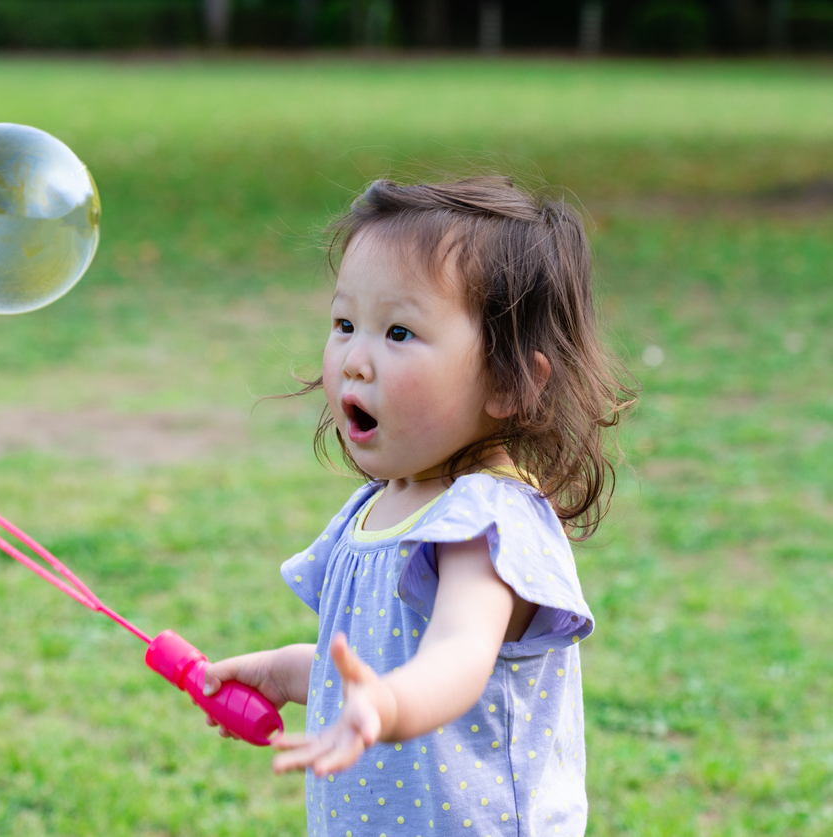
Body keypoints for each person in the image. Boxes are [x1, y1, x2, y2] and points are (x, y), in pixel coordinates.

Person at [201, 177, 633, 836]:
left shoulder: (486, 520)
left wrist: (388, 704)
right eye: (345, 323)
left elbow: (459, 653)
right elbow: (390, 659)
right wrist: (293, 672)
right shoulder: (374, 509)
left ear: (511, 381)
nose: (354, 360)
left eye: (398, 331)